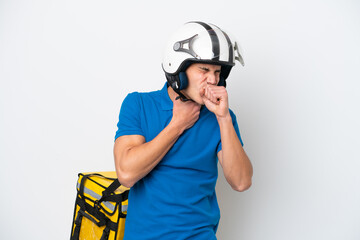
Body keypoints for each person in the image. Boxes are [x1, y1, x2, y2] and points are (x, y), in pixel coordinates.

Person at [113, 21, 253, 239]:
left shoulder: (222, 117)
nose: (213, 79)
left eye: (217, 72)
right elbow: (127, 174)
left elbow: (241, 181)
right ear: (178, 68)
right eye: (204, 69)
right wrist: (178, 124)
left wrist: (224, 118)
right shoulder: (139, 104)